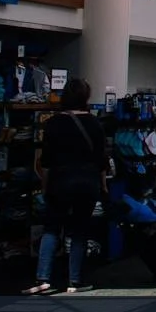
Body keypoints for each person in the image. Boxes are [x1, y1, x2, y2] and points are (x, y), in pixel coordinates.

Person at [22, 78, 107, 294]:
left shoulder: (52, 123)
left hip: (60, 181)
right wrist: (103, 185)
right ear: (86, 97)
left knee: (51, 229)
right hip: (87, 182)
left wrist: (45, 187)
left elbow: (46, 162)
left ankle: (43, 278)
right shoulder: (95, 123)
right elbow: (101, 161)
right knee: (79, 231)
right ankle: (75, 281)